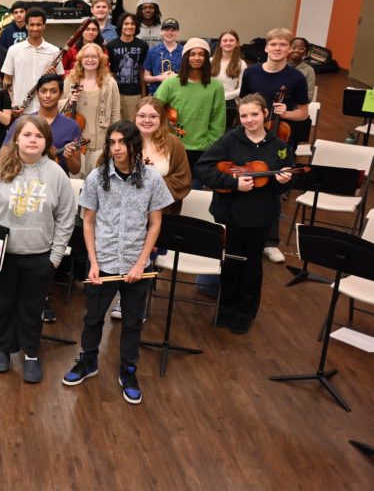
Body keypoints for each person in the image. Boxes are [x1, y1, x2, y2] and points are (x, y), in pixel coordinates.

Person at [62, 121, 173, 404]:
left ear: (135, 144)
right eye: (112, 142)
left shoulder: (152, 179)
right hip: (103, 260)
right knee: (93, 318)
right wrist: (93, 261)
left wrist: (141, 263)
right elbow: (88, 222)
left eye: (122, 142)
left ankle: (128, 371)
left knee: (133, 322)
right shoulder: (96, 177)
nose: (116, 148)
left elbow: (155, 224)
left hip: (137, 263)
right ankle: (88, 361)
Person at [0, 115, 76, 381]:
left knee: (32, 308)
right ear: (16, 139)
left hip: (40, 255)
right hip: (2, 255)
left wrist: (55, 255)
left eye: (39, 136)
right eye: (27, 134)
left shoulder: (56, 174)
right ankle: (1, 349)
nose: (32, 140)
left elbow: (66, 218)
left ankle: (31, 353)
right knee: (2, 305)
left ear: (46, 142)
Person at [195, 94, 293, 335]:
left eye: (254, 114)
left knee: (252, 265)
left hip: (261, 216)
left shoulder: (279, 147)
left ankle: (245, 313)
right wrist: (233, 183)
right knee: (230, 262)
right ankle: (225, 309)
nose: (249, 120)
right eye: (244, 115)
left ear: (265, 114)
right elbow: (203, 168)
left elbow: (282, 186)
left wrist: (283, 181)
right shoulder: (230, 139)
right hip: (230, 214)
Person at [109, 96, 192, 321]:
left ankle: (136, 304)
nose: (147, 120)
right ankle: (122, 298)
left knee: (144, 257)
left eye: (153, 116)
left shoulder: (174, 145)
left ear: (161, 119)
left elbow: (182, 180)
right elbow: (107, 171)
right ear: (134, 117)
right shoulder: (122, 142)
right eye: (142, 115)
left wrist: (150, 188)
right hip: (124, 212)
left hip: (158, 214)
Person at [239, 28, 310, 263]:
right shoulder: (251, 73)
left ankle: (270, 242)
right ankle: (241, 233)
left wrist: (287, 113)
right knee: (246, 182)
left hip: (279, 139)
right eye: (274, 44)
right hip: (250, 136)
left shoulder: (296, 78)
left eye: (283, 45)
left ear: (289, 49)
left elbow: (303, 113)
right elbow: (242, 102)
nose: (278, 48)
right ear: (266, 47)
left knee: (273, 190)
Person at [154, 38, 226, 173]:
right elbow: (154, 108)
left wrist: (210, 144)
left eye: (201, 54)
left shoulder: (216, 86)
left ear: (206, 58)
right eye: (192, 54)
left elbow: (218, 120)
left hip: (202, 149)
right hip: (172, 146)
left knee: (197, 185)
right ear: (185, 57)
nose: (196, 58)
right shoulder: (170, 83)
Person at [63, 42, 120, 177]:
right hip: (77, 144)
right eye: (86, 56)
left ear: (100, 60)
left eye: (94, 57)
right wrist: (69, 101)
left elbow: (115, 114)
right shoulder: (71, 80)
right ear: (80, 59)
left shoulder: (110, 82)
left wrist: (114, 141)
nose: (90, 60)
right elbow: (62, 110)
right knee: (77, 183)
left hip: (100, 144)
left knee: (99, 182)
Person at [2, 7, 63, 112]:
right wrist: (11, 105)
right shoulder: (13, 50)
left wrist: (54, 76)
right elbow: (6, 80)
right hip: (20, 110)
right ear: (26, 26)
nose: (35, 28)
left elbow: (60, 82)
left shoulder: (54, 51)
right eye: (32, 25)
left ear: (44, 26)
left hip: (46, 110)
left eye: (39, 25)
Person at [106, 13, 149, 121]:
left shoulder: (143, 46)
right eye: (126, 24)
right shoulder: (111, 46)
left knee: (132, 124)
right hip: (115, 92)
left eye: (132, 24)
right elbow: (109, 71)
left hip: (134, 94)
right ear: (121, 26)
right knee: (116, 124)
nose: (129, 26)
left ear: (136, 26)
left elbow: (142, 71)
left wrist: (144, 95)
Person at [211, 30, 248, 129]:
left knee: (224, 131)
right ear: (220, 44)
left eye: (231, 40)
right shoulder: (210, 61)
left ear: (236, 44)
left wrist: (224, 96)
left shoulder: (241, 64)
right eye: (225, 40)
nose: (228, 43)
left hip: (229, 103)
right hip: (211, 100)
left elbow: (242, 88)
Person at [142, 18, 183, 95]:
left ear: (177, 32)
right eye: (166, 30)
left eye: (173, 30)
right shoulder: (152, 51)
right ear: (161, 32)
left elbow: (190, 76)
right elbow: (146, 77)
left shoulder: (184, 51)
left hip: (178, 94)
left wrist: (176, 77)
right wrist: (159, 78)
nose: (169, 33)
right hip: (156, 94)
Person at [288, 37, 318, 102]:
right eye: (294, 47)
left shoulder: (309, 70)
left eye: (301, 48)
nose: (296, 50)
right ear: (288, 49)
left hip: (296, 105)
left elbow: (309, 97)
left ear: (306, 52)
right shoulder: (280, 65)